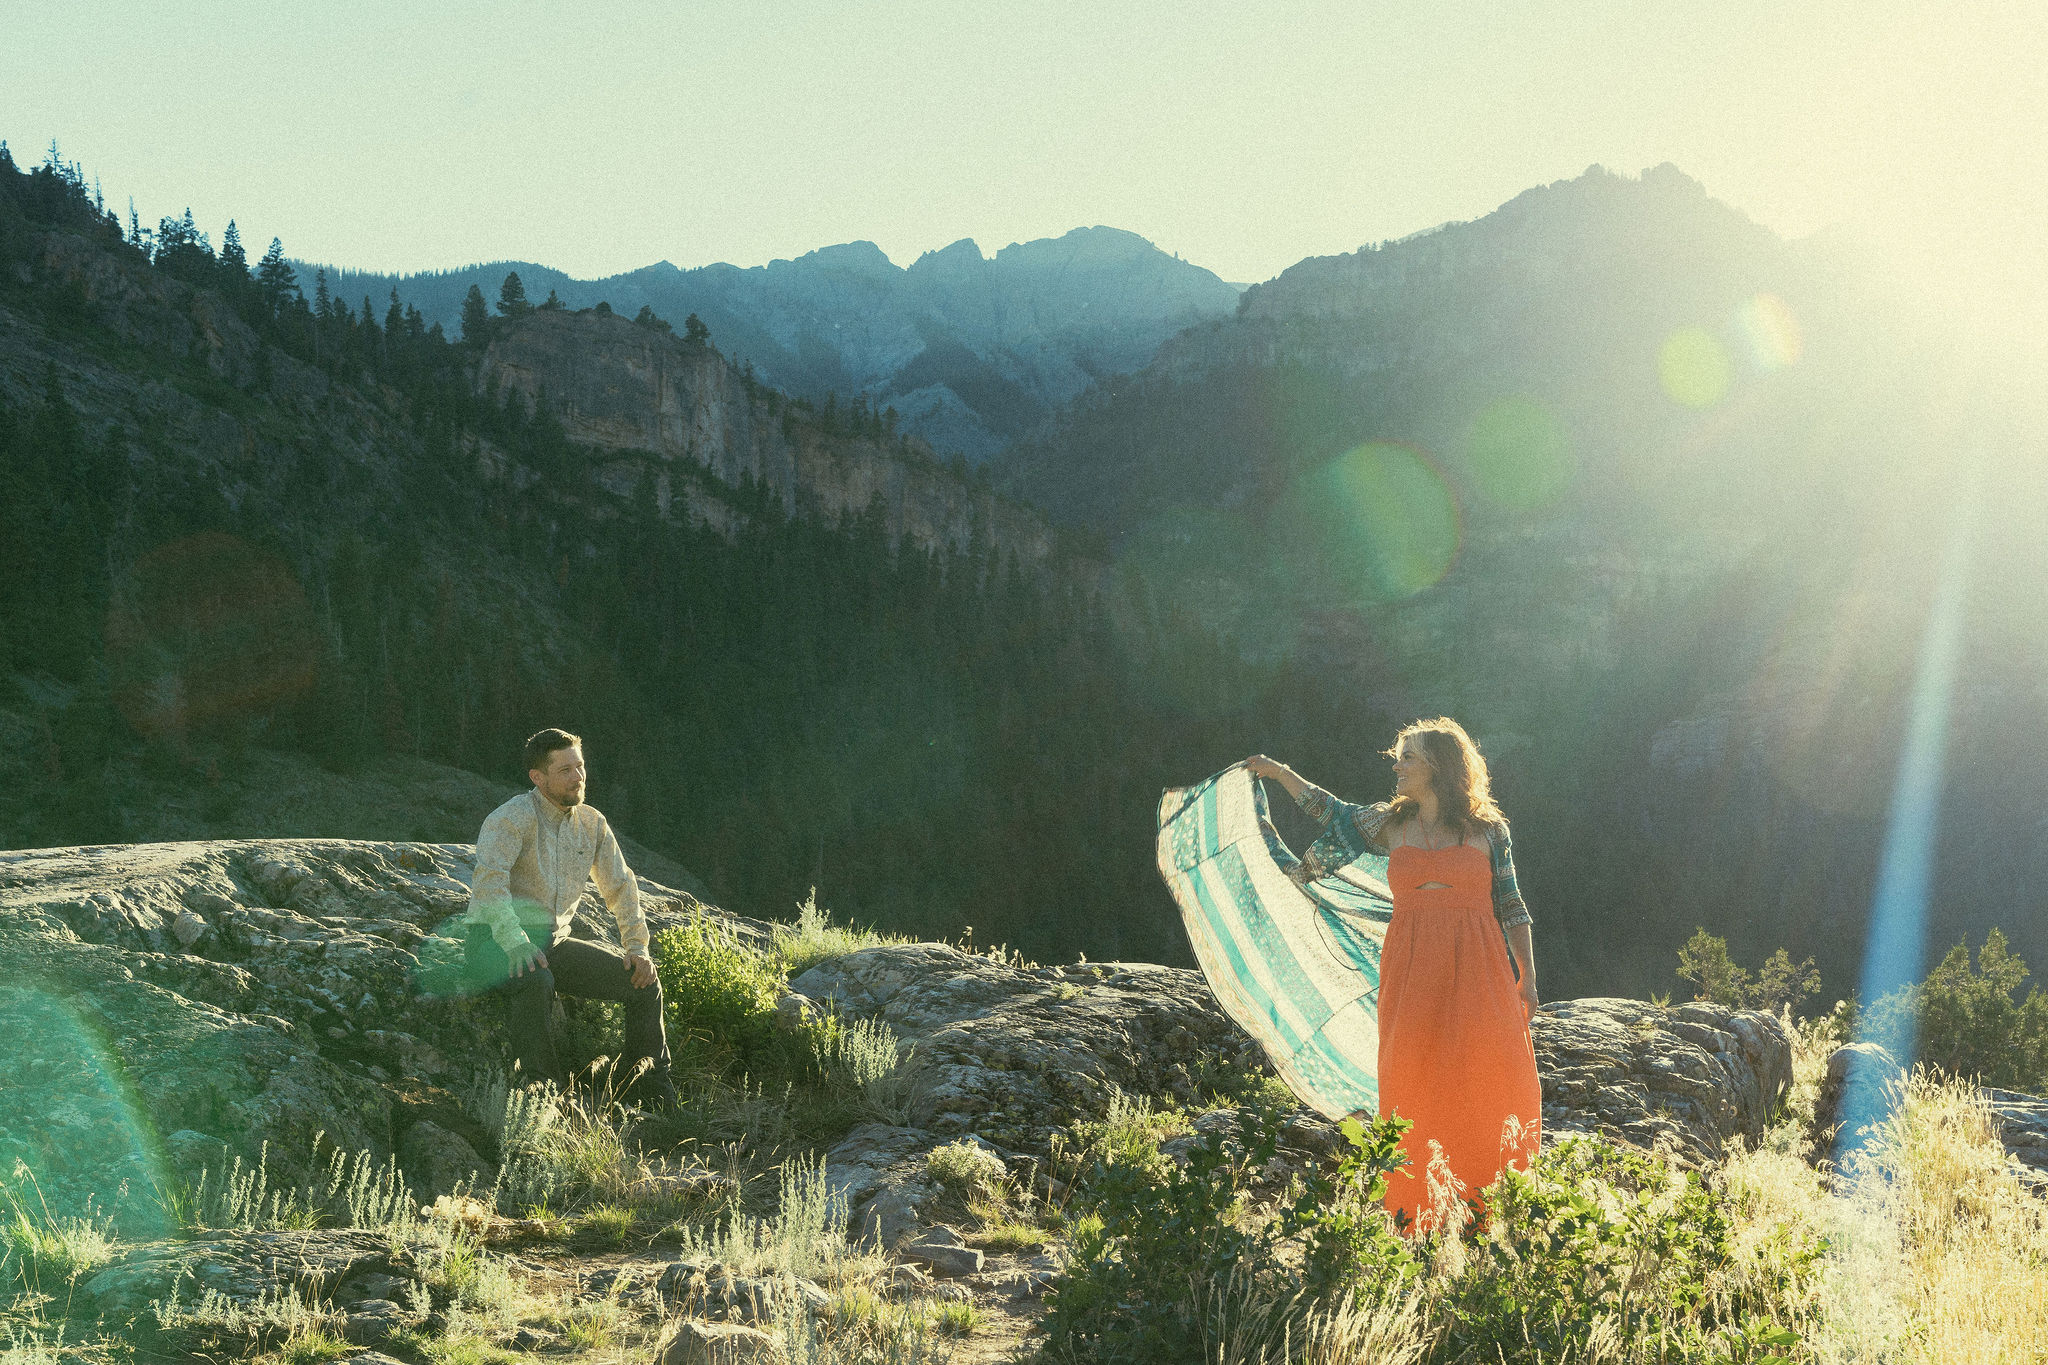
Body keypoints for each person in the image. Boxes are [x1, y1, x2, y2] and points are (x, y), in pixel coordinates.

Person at [1245, 717, 1541, 1230]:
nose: (1397, 765)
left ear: (1439, 765)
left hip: (1479, 962)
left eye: (1409, 756)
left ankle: (1488, 1206)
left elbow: (1512, 906)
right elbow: (1328, 810)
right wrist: (1278, 773)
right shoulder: (1391, 824)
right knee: (1411, 1072)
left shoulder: (1488, 830)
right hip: (1409, 965)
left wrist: (1528, 979)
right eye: (1399, 756)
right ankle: (1414, 1210)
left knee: (1487, 1070)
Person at [466, 728, 677, 1109]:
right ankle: (542, 1093)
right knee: (535, 978)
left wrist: (636, 946)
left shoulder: (592, 823)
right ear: (538, 777)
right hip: (493, 941)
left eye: (580, 766)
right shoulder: (511, 818)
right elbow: (489, 885)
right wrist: (515, 942)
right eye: (564, 770)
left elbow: (622, 887)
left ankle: (650, 1091)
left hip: (553, 943)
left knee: (643, 981)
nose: (577, 777)